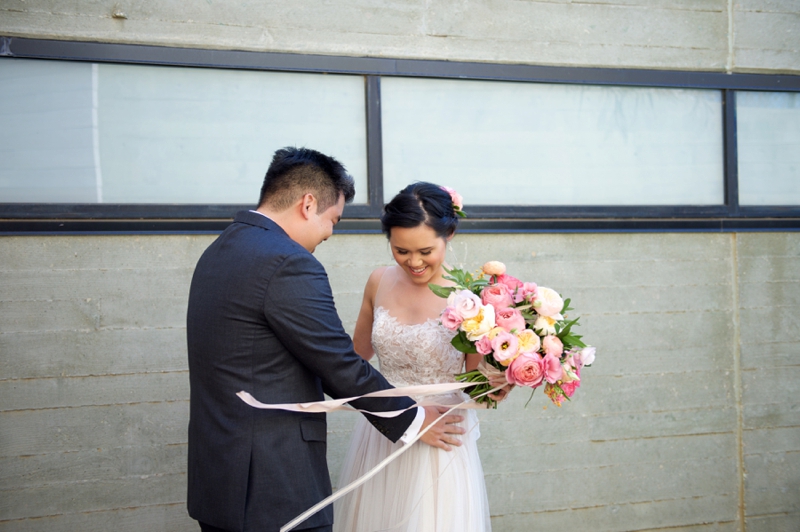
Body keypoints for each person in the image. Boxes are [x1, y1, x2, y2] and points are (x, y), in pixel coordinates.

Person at [186, 148, 465, 532]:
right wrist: (414, 420)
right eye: (333, 219)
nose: (330, 233)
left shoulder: (219, 250)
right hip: (271, 483)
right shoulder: (288, 263)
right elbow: (339, 362)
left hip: (219, 477)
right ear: (308, 203)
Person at [333, 182, 502, 532]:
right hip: (383, 431)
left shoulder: (468, 300)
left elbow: (477, 387)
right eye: (401, 251)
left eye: (425, 251)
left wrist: (509, 369)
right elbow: (353, 359)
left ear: (449, 234)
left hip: (442, 434)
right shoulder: (378, 281)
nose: (414, 262)